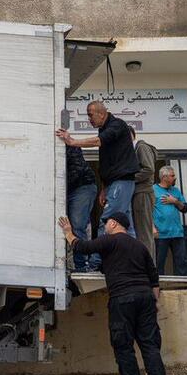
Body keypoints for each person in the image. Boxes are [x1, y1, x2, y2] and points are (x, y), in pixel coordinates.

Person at [59, 211, 167, 375]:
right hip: (145, 299)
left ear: (115, 224)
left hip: (122, 298)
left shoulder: (110, 241)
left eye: (107, 222)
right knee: (150, 345)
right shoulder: (140, 246)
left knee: (123, 346)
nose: (105, 225)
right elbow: (154, 277)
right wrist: (156, 302)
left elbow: (83, 247)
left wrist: (68, 232)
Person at [56, 101, 140, 238]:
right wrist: (104, 188)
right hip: (115, 183)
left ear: (101, 114)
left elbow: (98, 141)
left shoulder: (117, 125)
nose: (89, 119)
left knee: (107, 222)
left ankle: (98, 259)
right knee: (125, 226)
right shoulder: (104, 128)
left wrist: (72, 141)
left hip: (121, 181)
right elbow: (107, 163)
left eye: (90, 115)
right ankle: (132, 257)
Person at [66, 142, 100, 272]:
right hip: (71, 187)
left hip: (82, 186)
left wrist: (62, 186)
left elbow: (77, 169)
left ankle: (81, 265)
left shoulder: (70, 144)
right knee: (69, 226)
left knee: (77, 225)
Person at [153, 166, 187, 275]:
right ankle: (159, 286)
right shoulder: (153, 190)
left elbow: (185, 209)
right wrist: (152, 227)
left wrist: (174, 201)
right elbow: (147, 210)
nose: (175, 178)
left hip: (177, 232)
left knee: (181, 262)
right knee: (159, 263)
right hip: (161, 233)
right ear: (164, 177)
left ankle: (181, 286)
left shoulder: (176, 191)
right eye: (172, 175)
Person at [130, 126, 158, 256]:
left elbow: (149, 169)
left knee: (144, 233)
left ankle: (148, 268)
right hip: (137, 193)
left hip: (143, 193)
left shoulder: (141, 147)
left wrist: (129, 179)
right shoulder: (133, 150)